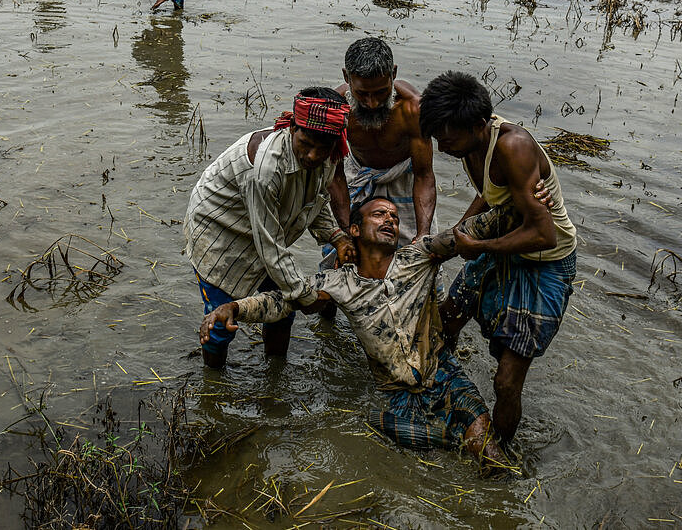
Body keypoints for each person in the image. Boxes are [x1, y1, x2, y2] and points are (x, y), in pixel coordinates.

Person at [201, 197, 528, 465]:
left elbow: (464, 233)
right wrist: (235, 308)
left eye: (395, 217)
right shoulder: (340, 283)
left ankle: (470, 446)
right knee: (375, 422)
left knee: (489, 455)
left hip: (445, 375)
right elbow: (283, 301)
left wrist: (522, 201)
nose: (390, 220)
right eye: (379, 214)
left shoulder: (418, 257)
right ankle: (451, 437)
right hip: (397, 394)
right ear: (354, 230)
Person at [419, 70, 578, 443]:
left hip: (545, 261)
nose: (442, 149)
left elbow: (544, 233)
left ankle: (500, 452)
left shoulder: (513, 146)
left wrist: (479, 248)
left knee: (506, 381)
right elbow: (492, 194)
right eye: (438, 139)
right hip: (503, 243)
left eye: (448, 139)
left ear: (478, 125)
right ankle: (449, 397)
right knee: (444, 325)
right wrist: (458, 232)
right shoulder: (471, 143)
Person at [185, 88, 355, 369]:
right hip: (220, 230)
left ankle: (275, 372)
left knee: (282, 309)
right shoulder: (266, 168)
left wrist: (336, 237)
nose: (312, 156)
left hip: (263, 228)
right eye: (306, 143)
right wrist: (305, 295)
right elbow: (271, 247)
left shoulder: (330, 155)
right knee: (220, 323)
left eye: (322, 149)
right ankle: (213, 384)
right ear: (292, 127)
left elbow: (314, 199)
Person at [329, 38, 436, 244]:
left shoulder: (413, 109)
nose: (372, 103)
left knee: (413, 250)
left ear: (393, 74)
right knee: (346, 247)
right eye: (362, 94)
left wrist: (423, 233)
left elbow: (424, 175)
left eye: (380, 92)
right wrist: (344, 232)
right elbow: (335, 176)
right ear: (346, 77)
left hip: (404, 179)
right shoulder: (336, 108)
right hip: (357, 174)